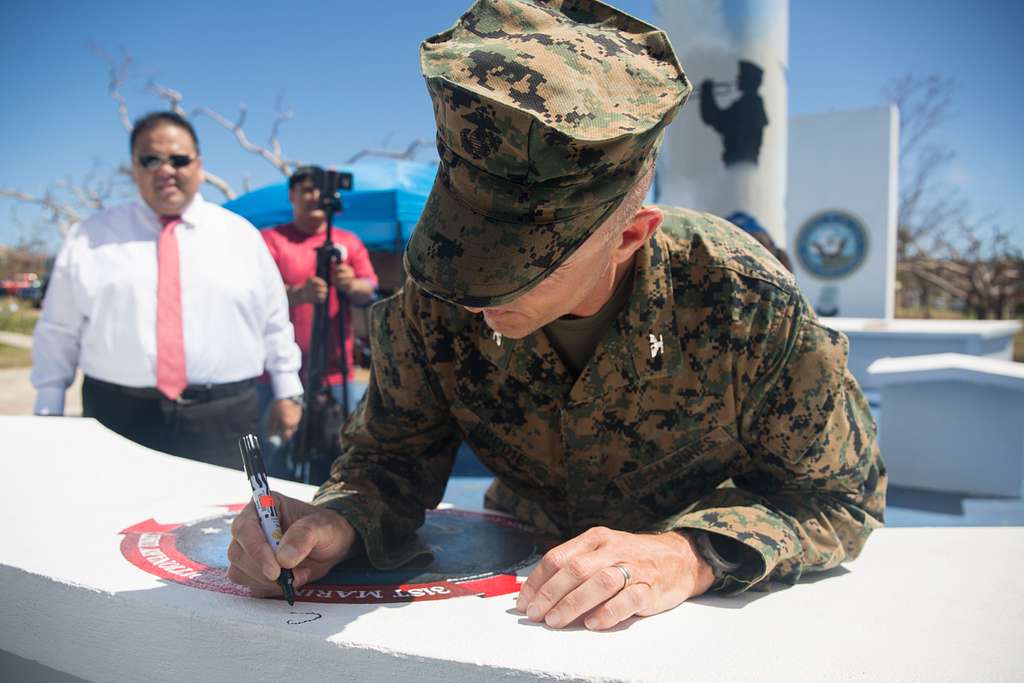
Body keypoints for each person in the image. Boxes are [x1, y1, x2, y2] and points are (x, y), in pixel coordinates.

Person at [227, 0, 885, 631]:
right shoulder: (438, 298)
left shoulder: (741, 302)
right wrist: (339, 520)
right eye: (463, 244)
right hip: (512, 599)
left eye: (518, 262)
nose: (474, 288)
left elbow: (838, 499)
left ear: (631, 235)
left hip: (696, 625)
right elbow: (391, 458)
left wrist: (688, 554)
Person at [32, 111, 304, 469]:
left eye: (179, 159)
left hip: (223, 420)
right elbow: (59, 329)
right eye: (151, 159)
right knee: (113, 520)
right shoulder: (88, 237)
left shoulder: (242, 237)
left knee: (224, 523)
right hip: (117, 415)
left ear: (199, 164)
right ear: (134, 167)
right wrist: (49, 406)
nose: (166, 169)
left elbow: (273, 321)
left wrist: (288, 392)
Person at [259, 166, 379, 476]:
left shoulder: (348, 241)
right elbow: (254, 295)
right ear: (292, 196)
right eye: (307, 190)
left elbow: (369, 289)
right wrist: (298, 294)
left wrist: (350, 284)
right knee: (274, 460)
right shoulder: (271, 239)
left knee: (340, 458)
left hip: (337, 375)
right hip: (278, 375)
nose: (315, 197)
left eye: (321, 191)